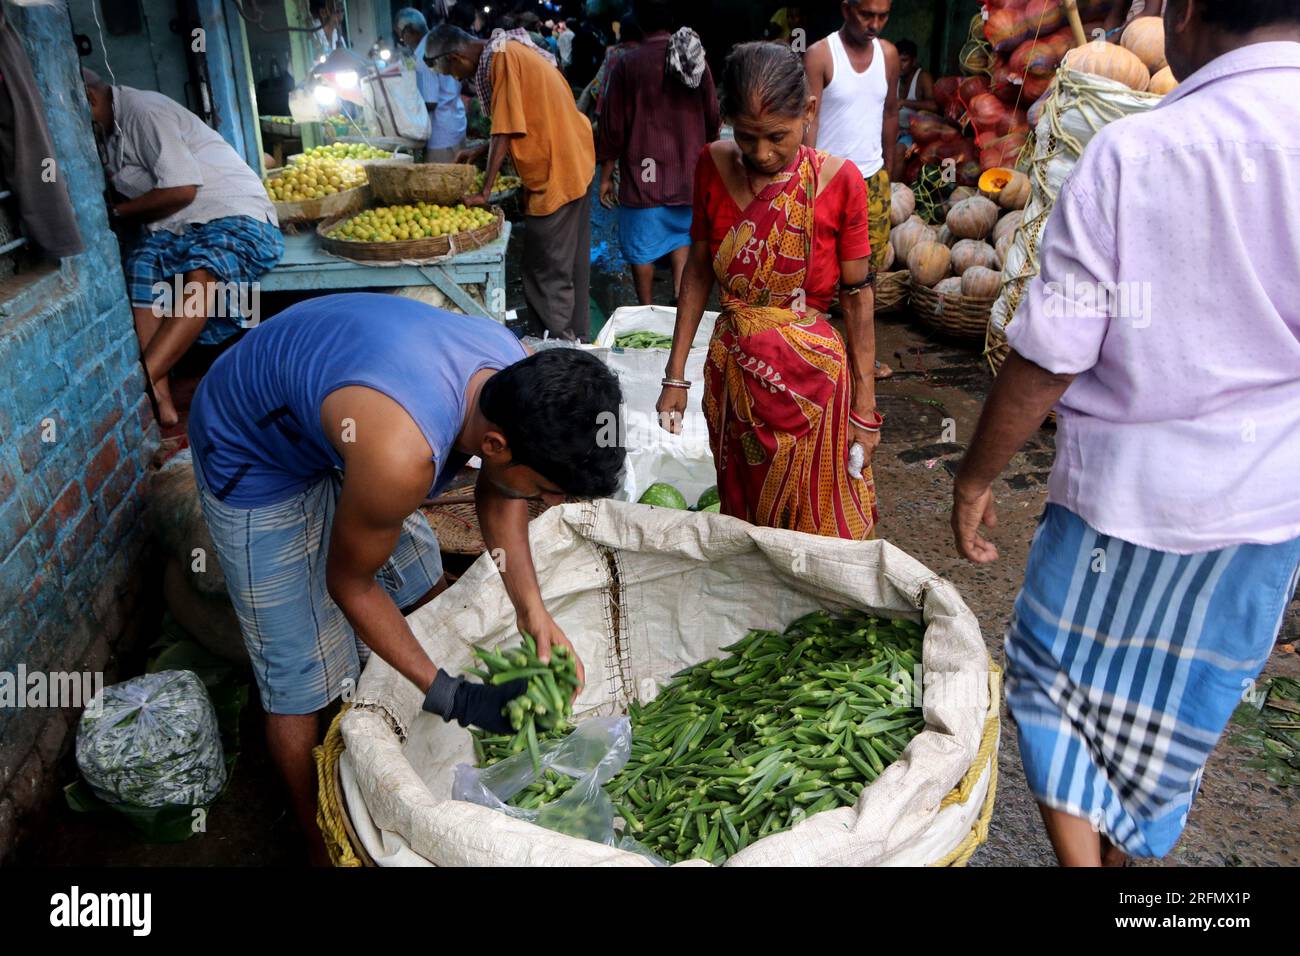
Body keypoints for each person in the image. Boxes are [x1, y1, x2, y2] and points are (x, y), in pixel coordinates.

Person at [950, 0, 1300, 866]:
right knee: (1166, 725)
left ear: (1185, 14)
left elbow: (1050, 353)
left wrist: (975, 476)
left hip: (1123, 501)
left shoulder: (1135, 153)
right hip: (1266, 507)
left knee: (1049, 679)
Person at [188, 293, 625, 863]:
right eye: (547, 490)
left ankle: (416, 724)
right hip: (251, 441)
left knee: (423, 585)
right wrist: (454, 696)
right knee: (303, 676)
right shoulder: (401, 456)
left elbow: (503, 490)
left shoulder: (512, 372)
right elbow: (349, 585)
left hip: (348, 417)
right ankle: (319, 842)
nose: (549, 502)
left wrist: (532, 613)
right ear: (493, 444)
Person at [656, 42, 881, 540]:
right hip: (734, 381)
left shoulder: (841, 183)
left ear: (809, 111)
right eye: (747, 137)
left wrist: (864, 410)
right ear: (727, 123)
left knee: (816, 523)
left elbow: (858, 297)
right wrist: (675, 377)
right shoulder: (711, 165)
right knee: (744, 517)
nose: (761, 153)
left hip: (813, 389)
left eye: (777, 137)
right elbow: (698, 268)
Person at [82, 69, 282, 429]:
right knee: (142, 263)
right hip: (181, 226)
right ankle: (160, 396)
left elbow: (181, 190)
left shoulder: (143, 111)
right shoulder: (109, 134)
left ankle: (137, 388)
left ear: (91, 97)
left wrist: (116, 212)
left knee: (202, 267)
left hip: (233, 213)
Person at [429, 23, 596, 341]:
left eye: (451, 72)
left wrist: (484, 191)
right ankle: (576, 341)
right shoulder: (508, 50)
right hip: (575, 158)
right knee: (570, 265)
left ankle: (558, 350)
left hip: (557, 171)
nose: (456, 79)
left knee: (545, 269)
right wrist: (481, 151)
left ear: (455, 57)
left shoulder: (501, 58)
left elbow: (505, 128)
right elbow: (522, 116)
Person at [597, 1, 719, 304]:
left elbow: (613, 126)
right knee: (681, 235)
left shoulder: (628, 64)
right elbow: (713, 114)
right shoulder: (693, 57)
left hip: (644, 177)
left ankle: (647, 305)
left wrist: (606, 175)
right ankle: (680, 294)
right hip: (686, 173)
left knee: (641, 245)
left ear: (639, 24)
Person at [804, 0, 898, 279]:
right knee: (818, 269)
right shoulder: (820, 54)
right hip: (826, 179)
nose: (875, 25)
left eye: (883, 17)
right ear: (846, 9)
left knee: (868, 274)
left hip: (872, 178)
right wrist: (806, 176)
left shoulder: (888, 55)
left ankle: (861, 323)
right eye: (867, 15)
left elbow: (891, 113)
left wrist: (888, 169)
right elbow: (810, 117)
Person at [396, 7, 467, 163]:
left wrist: (402, 108)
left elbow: (431, 102)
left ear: (410, 30)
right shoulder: (439, 42)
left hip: (441, 135)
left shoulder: (424, 55)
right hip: (456, 124)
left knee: (444, 184)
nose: (403, 42)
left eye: (401, 36)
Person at [894, 38, 936, 158]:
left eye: (904, 61)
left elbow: (933, 106)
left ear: (914, 61)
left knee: (899, 151)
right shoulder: (892, 76)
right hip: (895, 131)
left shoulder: (923, 77)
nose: (899, 65)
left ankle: (893, 178)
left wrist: (903, 102)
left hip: (916, 134)